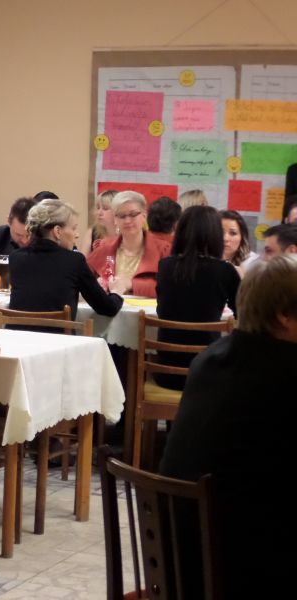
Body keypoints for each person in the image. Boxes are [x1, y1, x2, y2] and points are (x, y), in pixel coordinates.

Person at [159, 255, 297, 599]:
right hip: (243, 568)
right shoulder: (284, 372)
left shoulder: (210, 358)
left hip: (178, 561)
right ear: (283, 314)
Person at [155, 206, 240, 390]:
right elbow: (243, 315)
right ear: (215, 235)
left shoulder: (165, 266)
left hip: (166, 372)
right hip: (207, 373)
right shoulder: (225, 271)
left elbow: (162, 308)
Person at [10, 199, 123, 318]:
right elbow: (107, 308)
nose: (77, 234)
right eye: (74, 228)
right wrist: (116, 292)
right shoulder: (74, 261)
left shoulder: (15, 258)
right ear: (57, 231)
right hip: (57, 330)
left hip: (16, 330)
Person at [87, 190, 171, 297]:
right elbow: (83, 279)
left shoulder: (163, 249)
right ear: (115, 220)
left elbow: (170, 288)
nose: (127, 221)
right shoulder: (104, 247)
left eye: (133, 214)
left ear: (144, 216)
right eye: (122, 216)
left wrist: (131, 284)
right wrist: (95, 284)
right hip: (110, 306)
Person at [219, 209, 258, 276]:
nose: (225, 238)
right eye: (220, 232)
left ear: (242, 237)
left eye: (233, 233)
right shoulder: (203, 259)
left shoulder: (253, 262)